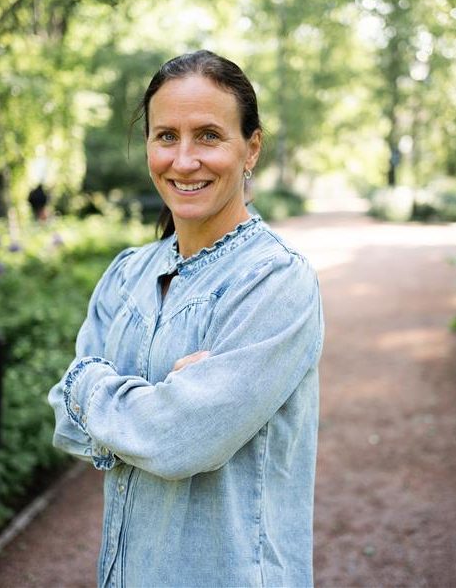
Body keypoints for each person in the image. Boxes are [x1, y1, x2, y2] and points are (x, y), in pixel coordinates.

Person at [48, 50, 324, 587]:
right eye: (166, 136)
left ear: (251, 148)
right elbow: (65, 419)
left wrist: (90, 386)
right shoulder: (127, 273)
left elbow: (179, 441)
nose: (184, 159)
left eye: (209, 136)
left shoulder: (275, 280)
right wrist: (162, 400)